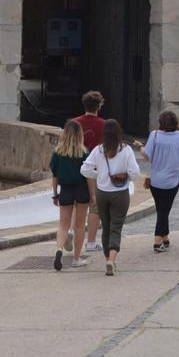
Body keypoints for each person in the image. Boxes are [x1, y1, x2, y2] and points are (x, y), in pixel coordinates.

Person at [81, 119, 139, 276]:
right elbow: (135, 173)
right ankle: (111, 260)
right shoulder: (126, 150)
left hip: (102, 193)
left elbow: (84, 170)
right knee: (116, 227)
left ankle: (107, 257)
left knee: (106, 226)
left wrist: (99, 175)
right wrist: (125, 177)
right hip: (120, 194)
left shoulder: (98, 150)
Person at [143, 110, 179, 253]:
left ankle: (165, 237)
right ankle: (157, 241)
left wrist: (140, 147)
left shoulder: (154, 135)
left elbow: (147, 155)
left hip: (156, 180)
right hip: (171, 180)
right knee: (164, 211)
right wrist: (176, 167)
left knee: (161, 209)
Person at [49, 120, 90, 271]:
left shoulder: (57, 153)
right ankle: (77, 259)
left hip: (65, 190)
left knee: (63, 225)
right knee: (79, 226)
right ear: (80, 135)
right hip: (81, 189)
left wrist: (55, 195)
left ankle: (59, 249)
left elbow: (54, 176)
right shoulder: (85, 153)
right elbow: (89, 176)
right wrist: (93, 194)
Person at [71, 91, 105, 253]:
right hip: (96, 170)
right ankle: (91, 242)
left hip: (75, 167)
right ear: (99, 106)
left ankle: (72, 231)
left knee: (76, 204)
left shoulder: (74, 123)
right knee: (94, 207)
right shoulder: (104, 124)